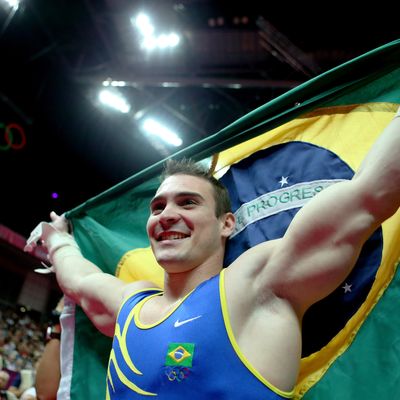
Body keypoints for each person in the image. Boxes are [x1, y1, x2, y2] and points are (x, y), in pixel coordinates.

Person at [25, 107, 400, 399]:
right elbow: (79, 278)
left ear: (227, 224)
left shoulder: (256, 286)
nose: (167, 214)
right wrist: (57, 239)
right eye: (157, 208)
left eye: (188, 203)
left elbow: (369, 195)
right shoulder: (131, 303)